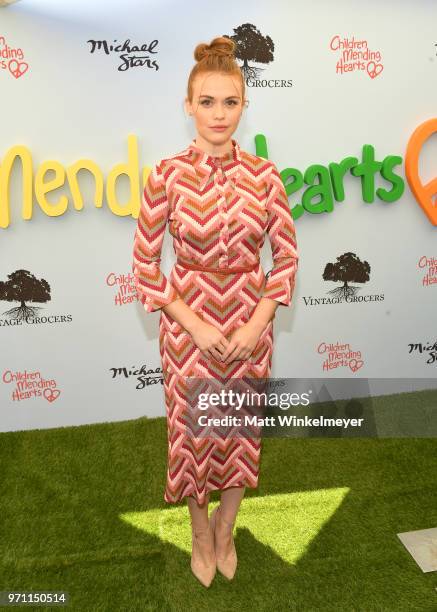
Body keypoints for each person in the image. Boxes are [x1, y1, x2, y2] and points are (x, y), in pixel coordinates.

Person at [132, 35, 299, 587]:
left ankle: (228, 529)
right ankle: (200, 534)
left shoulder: (267, 175)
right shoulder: (166, 175)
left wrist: (254, 325)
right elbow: (146, 265)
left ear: (244, 106)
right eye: (208, 102)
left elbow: (287, 258)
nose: (219, 114)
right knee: (194, 435)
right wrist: (198, 325)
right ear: (188, 106)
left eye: (230, 102)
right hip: (188, 327)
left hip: (252, 324)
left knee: (238, 429)